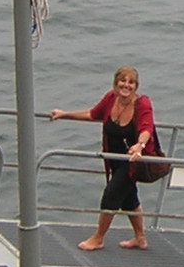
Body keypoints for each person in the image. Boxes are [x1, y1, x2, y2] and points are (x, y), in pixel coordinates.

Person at [49, 65, 155, 251]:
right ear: (116, 82)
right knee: (129, 198)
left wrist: (140, 145)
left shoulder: (142, 104)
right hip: (113, 159)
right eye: (123, 81)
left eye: (131, 82)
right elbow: (92, 114)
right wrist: (65, 114)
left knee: (111, 195)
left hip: (132, 161)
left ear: (136, 86)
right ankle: (140, 238)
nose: (126, 85)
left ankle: (98, 238)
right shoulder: (110, 99)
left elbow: (147, 127)